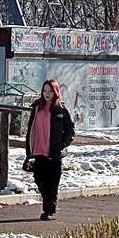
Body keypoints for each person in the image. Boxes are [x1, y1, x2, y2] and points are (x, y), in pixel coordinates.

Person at [22, 78, 75, 220]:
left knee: (52, 184)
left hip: (54, 154)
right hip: (38, 152)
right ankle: (48, 207)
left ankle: (49, 211)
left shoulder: (61, 111)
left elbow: (70, 131)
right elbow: (30, 129)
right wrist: (29, 149)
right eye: (45, 90)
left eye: (50, 91)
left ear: (55, 92)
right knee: (39, 179)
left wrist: (62, 144)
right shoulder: (37, 108)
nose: (47, 93)